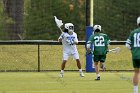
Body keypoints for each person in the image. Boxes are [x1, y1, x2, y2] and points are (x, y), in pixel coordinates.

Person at [126, 16, 140, 93]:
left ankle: (135, 91)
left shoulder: (133, 32)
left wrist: (133, 50)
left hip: (135, 56)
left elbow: (127, 45)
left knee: (136, 72)